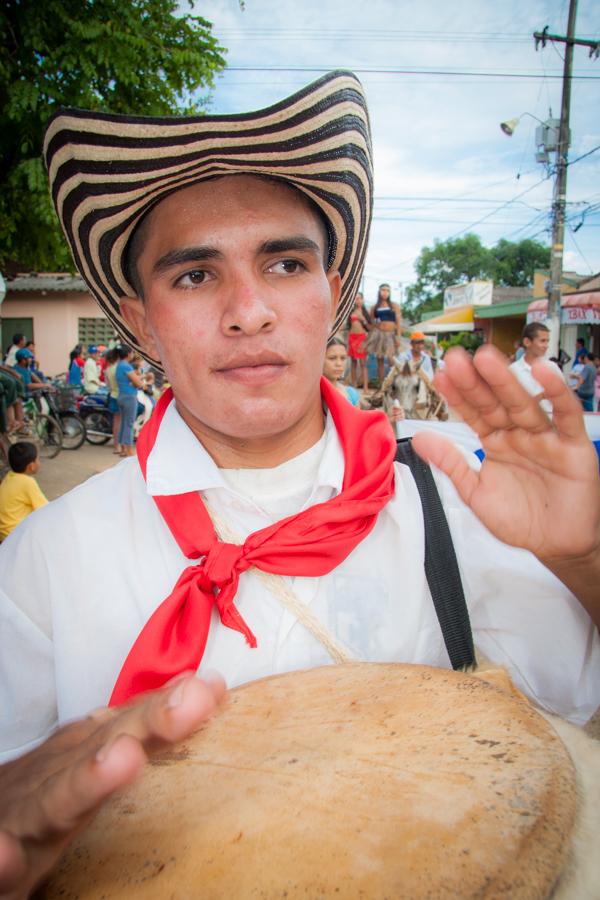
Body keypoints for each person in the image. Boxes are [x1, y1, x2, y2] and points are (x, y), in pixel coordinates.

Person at [0, 71, 598, 895]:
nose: (249, 311)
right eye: (194, 275)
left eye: (284, 263)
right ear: (140, 319)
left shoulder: (460, 495)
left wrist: (583, 558)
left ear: (332, 291)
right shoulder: (43, 565)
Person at [508, 322, 563, 416]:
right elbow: (510, 404)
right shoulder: (513, 371)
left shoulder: (552, 367)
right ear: (527, 342)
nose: (546, 345)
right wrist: (541, 396)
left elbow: (565, 397)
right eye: (542, 341)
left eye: (547, 341)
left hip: (550, 424)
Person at [0, 441, 48, 541]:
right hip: (14, 535)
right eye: (38, 459)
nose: (39, 462)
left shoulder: (9, 476)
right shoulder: (27, 482)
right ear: (31, 466)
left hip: (4, 532)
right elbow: (45, 508)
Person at [366, 283, 402, 384]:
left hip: (390, 335)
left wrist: (398, 337)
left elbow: (398, 322)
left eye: (387, 291)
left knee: (391, 359)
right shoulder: (375, 307)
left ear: (389, 293)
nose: (385, 293)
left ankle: (393, 383)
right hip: (379, 335)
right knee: (380, 361)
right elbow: (372, 322)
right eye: (383, 290)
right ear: (379, 292)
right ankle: (382, 385)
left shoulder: (394, 306)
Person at [115, 345, 146, 457]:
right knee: (129, 423)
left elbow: (134, 380)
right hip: (129, 397)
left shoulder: (119, 365)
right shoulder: (127, 367)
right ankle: (128, 449)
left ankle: (123, 448)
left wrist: (135, 381)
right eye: (132, 352)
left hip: (121, 396)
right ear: (128, 354)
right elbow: (138, 383)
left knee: (124, 423)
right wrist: (139, 381)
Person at [323, 337, 360, 406]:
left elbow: (358, 416)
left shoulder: (351, 394)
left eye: (343, 358)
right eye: (332, 358)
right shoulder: (312, 396)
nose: (339, 364)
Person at [347, 292, 371, 392]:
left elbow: (370, 328)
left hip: (362, 338)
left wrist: (363, 319)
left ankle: (366, 387)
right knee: (353, 362)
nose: (358, 300)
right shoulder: (350, 312)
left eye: (360, 298)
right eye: (356, 298)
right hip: (352, 337)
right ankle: (354, 385)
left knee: (363, 363)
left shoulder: (365, 312)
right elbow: (348, 326)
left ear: (363, 300)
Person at [103, 347, 122, 454]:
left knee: (116, 423)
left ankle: (116, 446)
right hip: (120, 395)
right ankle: (120, 446)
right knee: (121, 423)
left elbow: (108, 386)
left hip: (112, 395)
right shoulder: (117, 369)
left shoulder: (107, 370)